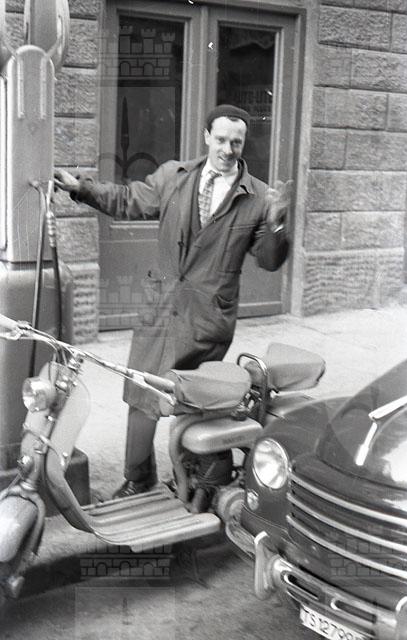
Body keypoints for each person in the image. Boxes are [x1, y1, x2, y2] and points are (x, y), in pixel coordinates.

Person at [54, 104, 291, 498]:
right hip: (161, 306)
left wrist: (278, 223)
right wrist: (81, 188)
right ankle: (138, 477)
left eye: (236, 142)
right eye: (221, 140)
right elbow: (128, 199)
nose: (227, 149)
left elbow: (269, 261)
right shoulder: (173, 176)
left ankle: (203, 477)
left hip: (208, 316)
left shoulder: (259, 197)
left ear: (243, 143)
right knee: (141, 390)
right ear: (206, 136)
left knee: (198, 399)